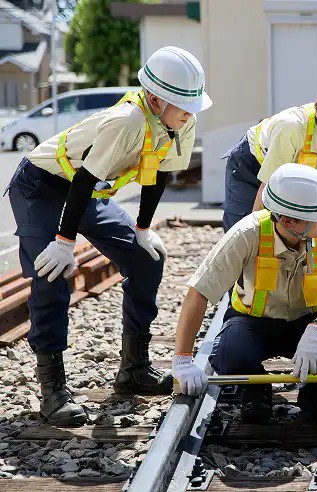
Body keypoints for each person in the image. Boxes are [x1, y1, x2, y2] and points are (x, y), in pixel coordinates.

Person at [5, 46, 212, 426]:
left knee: (147, 258)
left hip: (85, 192)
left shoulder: (182, 121)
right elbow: (84, 178)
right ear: (155, 99)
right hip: (42, 186)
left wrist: (143, 229)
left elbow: (158, 174)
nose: (189, 112)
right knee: (53, 274)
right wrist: (64, 243)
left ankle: (134, 369)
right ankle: (53, 391)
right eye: (182, 105)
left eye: (192, 104)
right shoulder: (128, 121)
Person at [172, 163, 317, 423]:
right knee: (228, 353)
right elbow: (198, 292)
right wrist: (183, 361)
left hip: (309, 321)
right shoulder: (247, 233)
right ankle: (255, 393)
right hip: (254, 325)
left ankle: (313, 394)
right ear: (288, 221)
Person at [221, 71, 317, 231]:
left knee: (299, 232)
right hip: (253, 166)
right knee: (242, 229)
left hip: (295, 175)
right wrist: (257, 236)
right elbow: (267, 187)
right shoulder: (292, 127)